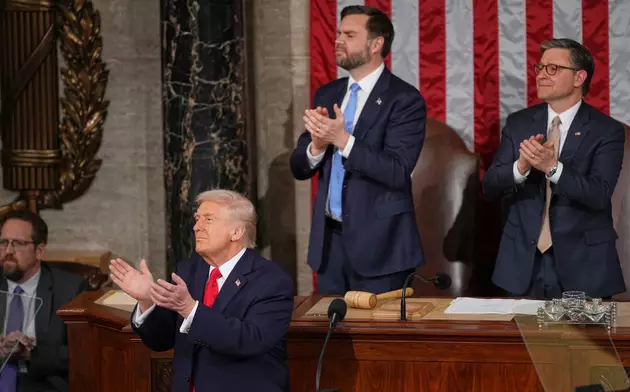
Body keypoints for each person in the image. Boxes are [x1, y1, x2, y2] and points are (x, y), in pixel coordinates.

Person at [289, 5, 427, 295]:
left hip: (382, 248)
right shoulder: (328, 93)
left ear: (376, 44)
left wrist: (344, 141)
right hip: (330, 247)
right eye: (339, 33)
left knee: (379, 340)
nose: (338, 40)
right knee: (332, 337)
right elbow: (299, 168)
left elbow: (397, 171)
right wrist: (317, 145)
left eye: (349, 34)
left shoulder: (404, 99)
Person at [109, 189, 294, 392]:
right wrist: (147, 301)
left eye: (208, 219)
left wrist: (191, 310)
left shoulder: (271, 280)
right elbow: (161, 340)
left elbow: (250, 340)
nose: (197, 227)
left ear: (236, 232)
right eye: (197, 219)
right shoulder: (187, 270)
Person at [483, 38, 626, 300]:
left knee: (580, 343)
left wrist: (552, 168)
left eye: (553, 69)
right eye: (540, 68)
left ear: (579, 77)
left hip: (583, 265)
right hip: (522, 265)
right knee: (519, 342)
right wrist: (521, 167)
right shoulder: (519, 123)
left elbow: (599, 193)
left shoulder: (607, 131)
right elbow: (490, 186)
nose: (541, 76)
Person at [0, 210, 89, 392]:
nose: (8, 251)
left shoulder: (71, 289)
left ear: (39, 251)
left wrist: (30, 354)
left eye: (18, 244)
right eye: (3, 243)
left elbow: (84, 353)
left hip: (43, 384)